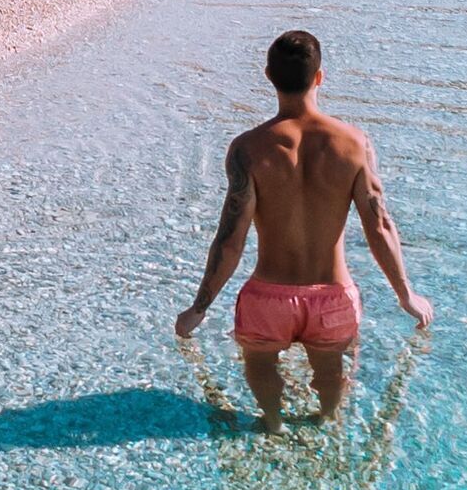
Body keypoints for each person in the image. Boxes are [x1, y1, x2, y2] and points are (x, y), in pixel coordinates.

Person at [174, 29, 431, 429]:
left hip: (266, 300)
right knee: (331, 376)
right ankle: (324, 422)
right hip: (333, 298)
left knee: (260, 367)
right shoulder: (354, 144)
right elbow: (378, 224)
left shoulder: (248, 149)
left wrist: (199, 308)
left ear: (268, 76)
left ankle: (272, 421)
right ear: (320, 77)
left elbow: (230, 239)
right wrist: (406, 294)